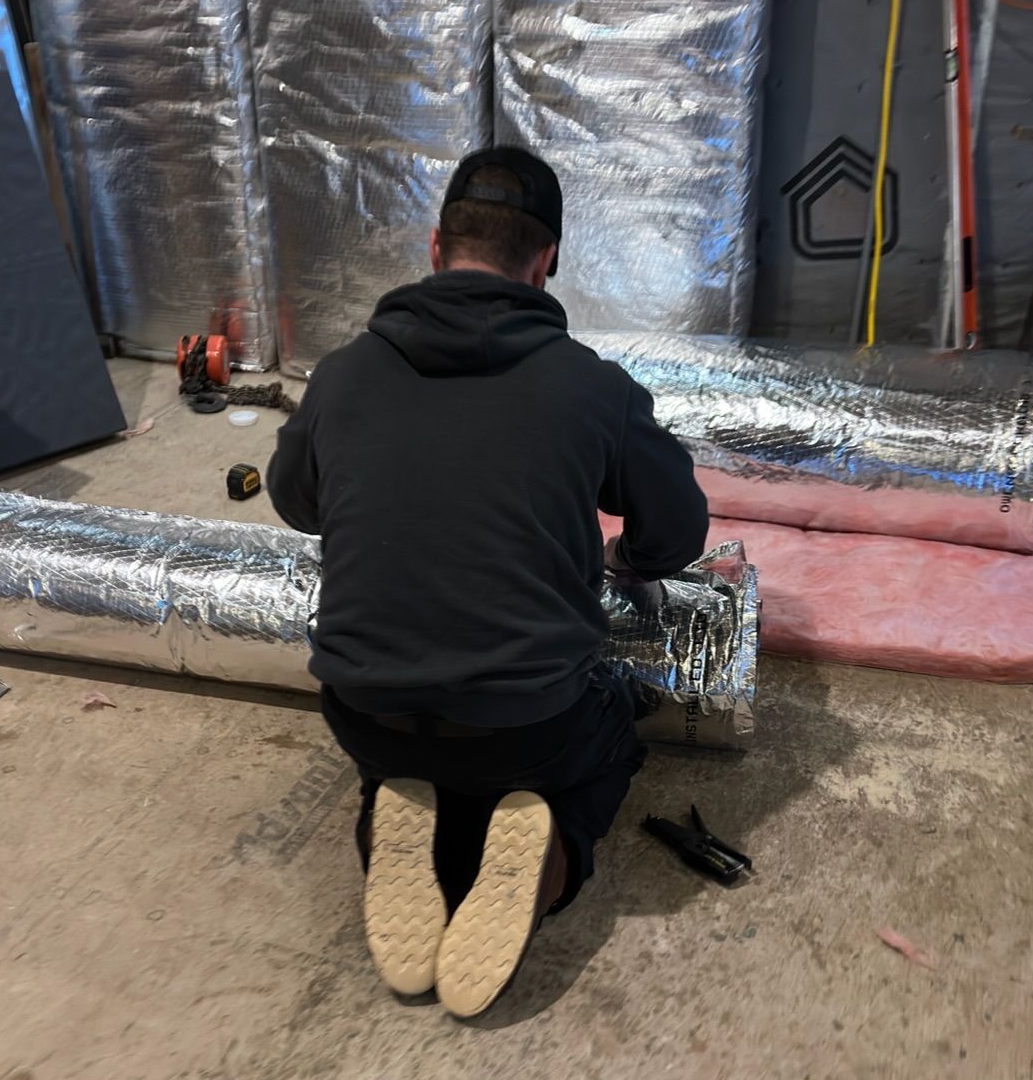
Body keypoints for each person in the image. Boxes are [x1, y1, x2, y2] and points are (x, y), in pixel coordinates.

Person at [267, 147, 708, 1016]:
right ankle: (553, 857)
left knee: (409, 756)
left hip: (366, 713)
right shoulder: (592, 387)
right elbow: (679, 531)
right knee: (613, 730)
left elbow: (296, 503)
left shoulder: (342, 373)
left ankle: (391, 817)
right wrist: (628, 560)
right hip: (527, 725)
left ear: (435, 246)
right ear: (547, 261)